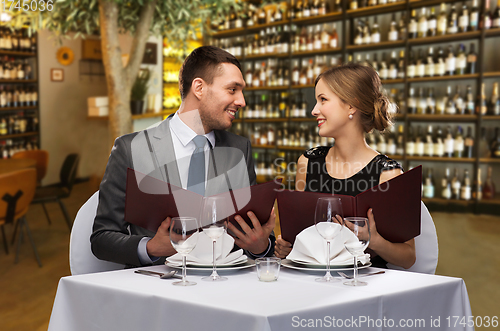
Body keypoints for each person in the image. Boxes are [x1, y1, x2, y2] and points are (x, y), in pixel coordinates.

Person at [91, 46, 276, 267]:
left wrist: (260, 247)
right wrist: (151, 247)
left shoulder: (240, 149)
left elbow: (252, 231)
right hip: (156, 289)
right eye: (232, 89)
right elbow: (102, 239)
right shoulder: (130, 148)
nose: (242, 101)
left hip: (222, 287)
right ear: (199, 88)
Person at [274, 63, 416, 269]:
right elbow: (299, 239)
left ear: (351, 105)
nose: (314, 110)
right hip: (312, 283)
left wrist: (374, 241)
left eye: (323, 100)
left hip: (363, 288)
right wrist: (287, 248)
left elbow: (408, 257)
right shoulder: (307, 162)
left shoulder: (387, 174)